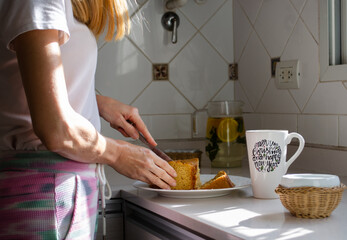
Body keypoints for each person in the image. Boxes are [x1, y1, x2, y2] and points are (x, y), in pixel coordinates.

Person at [0, 0, 177, 239]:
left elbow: (27, 85)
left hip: (57, 191)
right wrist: (119, 154)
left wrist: (98, 103)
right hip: (43, 193)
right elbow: (55, 128)